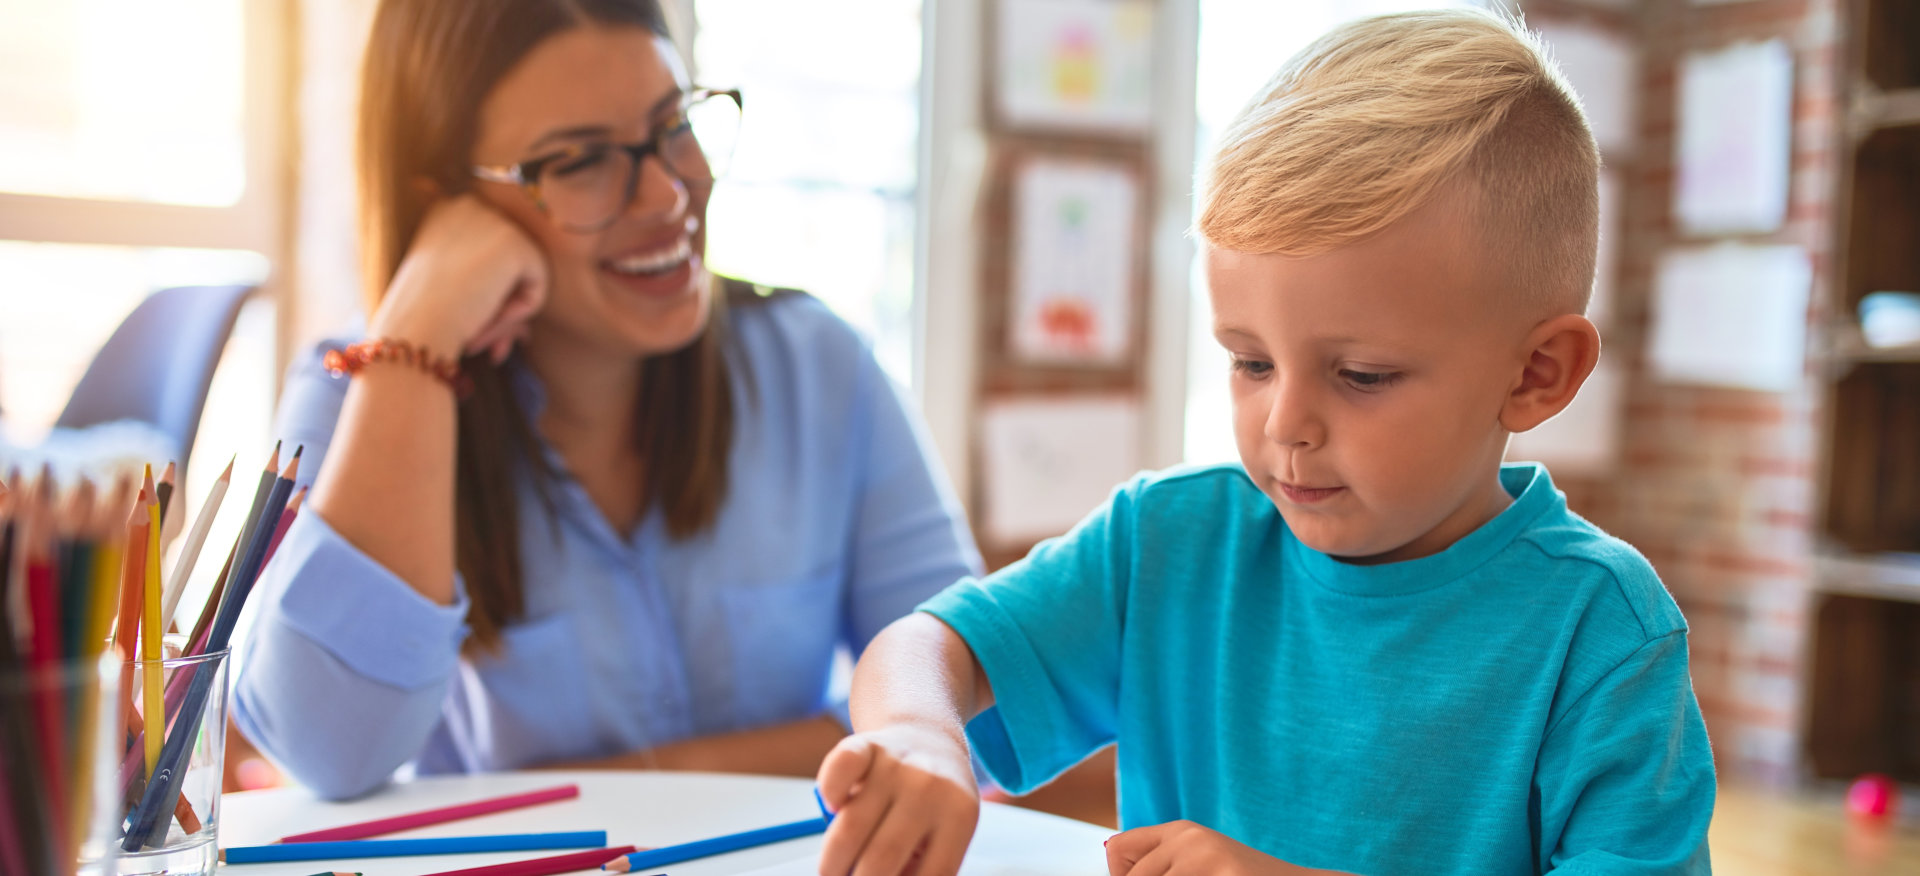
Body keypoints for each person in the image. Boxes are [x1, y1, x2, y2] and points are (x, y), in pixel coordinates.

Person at [814, 9, 1714, 876]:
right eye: (1249, 362)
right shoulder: (1168, 544)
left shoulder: (1601, 633)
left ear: (1535, 374)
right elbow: (929, 647)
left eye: (1361, 375)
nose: (1284, 425)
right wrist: (918, 734)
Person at [230, 0, 979, 801]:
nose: (665, 196)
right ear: (446, 201)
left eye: (675, 125)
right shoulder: (359, 392)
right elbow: (324, 753)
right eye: (582, 160)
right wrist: (418, 335)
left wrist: (618, 784)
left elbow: (968, 699)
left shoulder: (819, 366)